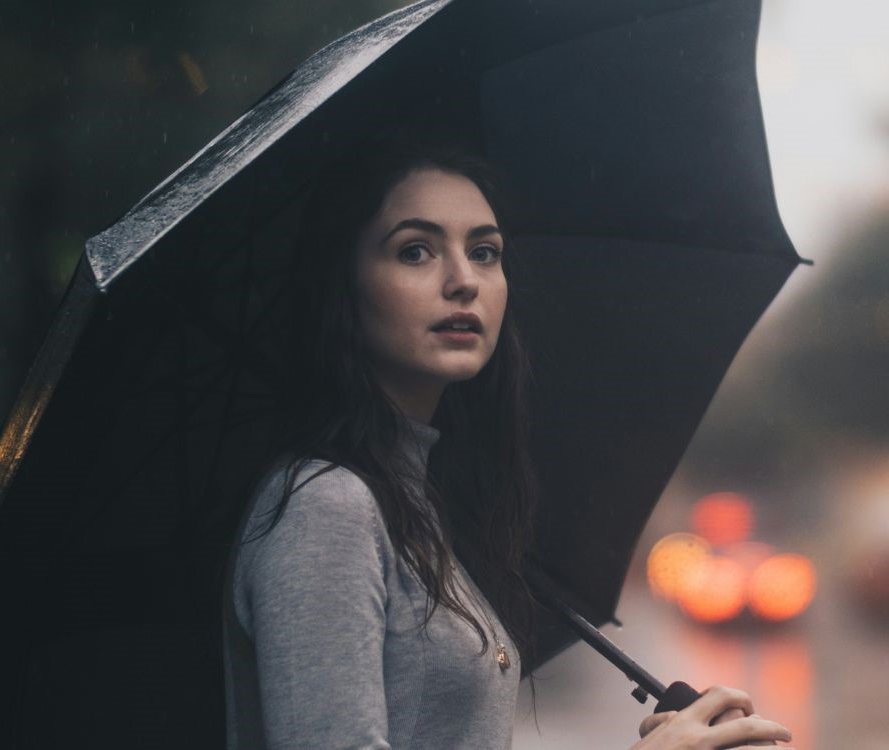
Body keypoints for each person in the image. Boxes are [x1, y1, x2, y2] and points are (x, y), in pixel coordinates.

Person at [220, 135, 795, 750]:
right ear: (344, 284)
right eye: (415, 251)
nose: (464, 280)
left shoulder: (422, 505)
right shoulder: (325, 507)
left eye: (485, 252)